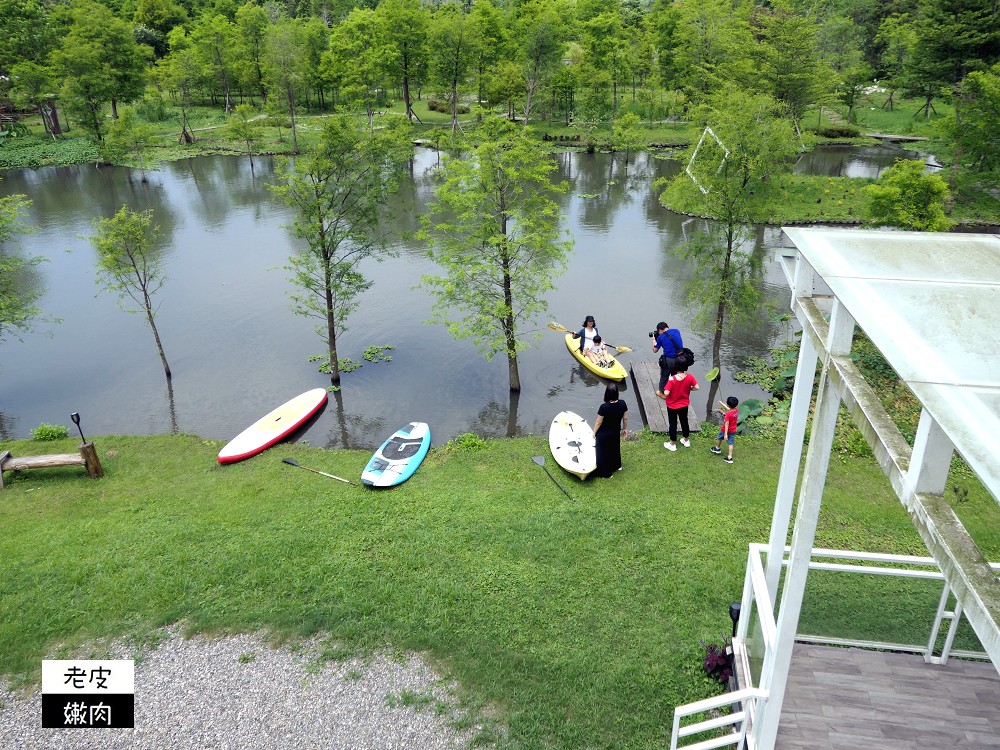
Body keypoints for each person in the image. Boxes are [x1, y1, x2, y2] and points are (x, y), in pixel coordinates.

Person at [662, 359, 699, 452]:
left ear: (676, 366)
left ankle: (672, 444)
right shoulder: (690, 377)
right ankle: (686, 440)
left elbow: (666, 393)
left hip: (672, 406)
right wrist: (688, 389)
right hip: (684, 404)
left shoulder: (672, 379)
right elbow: (697, 387)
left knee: (673, 424)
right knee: (684, 421)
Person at [593, 383, 628, 477]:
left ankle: (606, 473)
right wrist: (625, 429)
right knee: (615, 449)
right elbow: (625, 418)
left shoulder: (604, 407)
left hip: (604, 433)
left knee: (603, 452)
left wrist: (594, 432)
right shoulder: (623, 403)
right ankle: (617, 466)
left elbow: (598, 422)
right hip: (615, 431)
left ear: (607, 394)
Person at [652, 321, 684, 395]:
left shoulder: (661, 337)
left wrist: (654, 340)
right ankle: (675, 391)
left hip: (669, 360)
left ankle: (662, 392)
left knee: (664, 375)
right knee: (675, 376)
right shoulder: (677, 331)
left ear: (660, 330)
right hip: (680, 359)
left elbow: (655, 350)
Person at [712, 396, 739, 464]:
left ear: (728, 404)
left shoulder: (728, 414)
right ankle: (730, 457)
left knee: (719, 438)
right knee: (731, 443)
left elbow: (727, 424)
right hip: (733, 430)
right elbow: (728, 408)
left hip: (725, 430)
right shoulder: (736, 410)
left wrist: (726, 434)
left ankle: (717, 449)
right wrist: (721, 403)